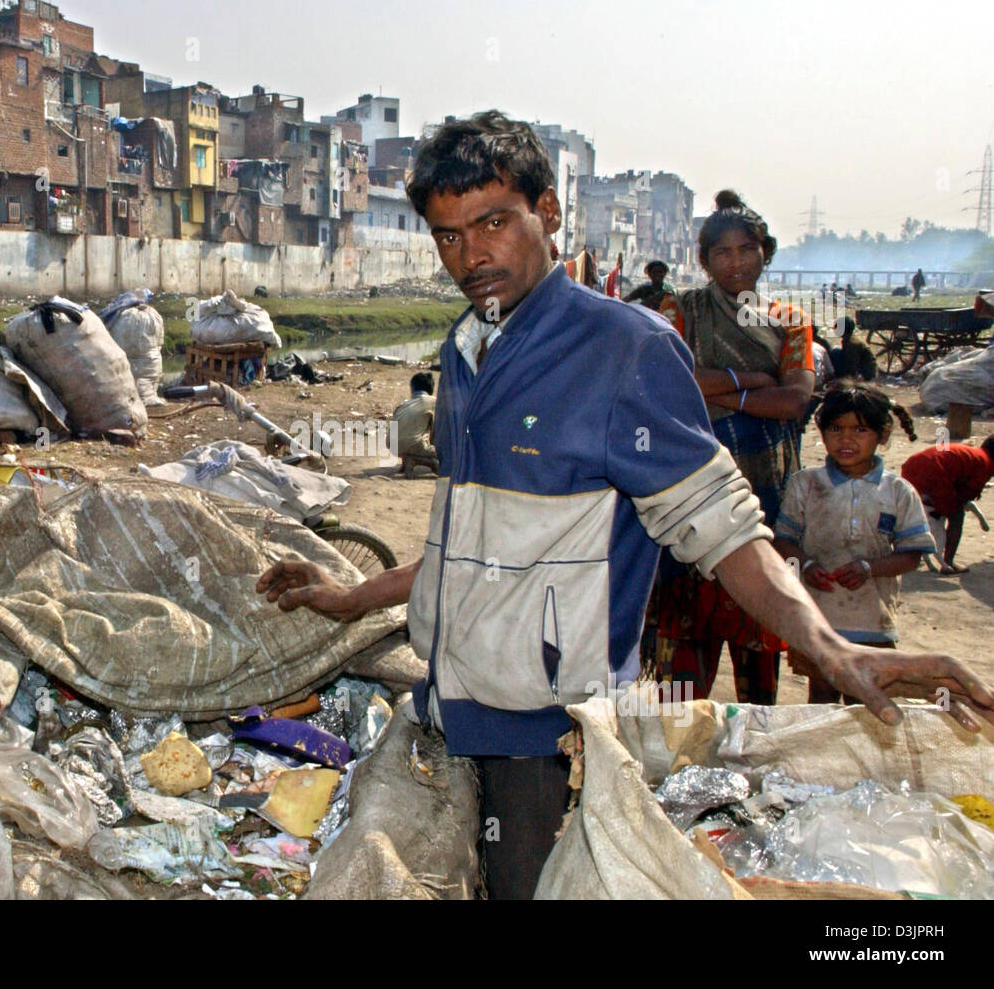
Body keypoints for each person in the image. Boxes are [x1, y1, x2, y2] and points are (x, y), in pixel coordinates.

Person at [253, 112, 994, 900]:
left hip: (545, 731)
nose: (469, 256)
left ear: (549, 213)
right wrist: (347, 597)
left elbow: (727, 528)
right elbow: (467, 541)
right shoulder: (465, 349)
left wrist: (834, 650)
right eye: (447, 236)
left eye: (493, 223)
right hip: (449, 703)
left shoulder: (622, 349)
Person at [646, 190, 814, 706]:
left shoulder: (789, 319)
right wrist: (752, 381)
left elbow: (794, 400)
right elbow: (668, 385)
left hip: (764, 489)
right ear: (705, 260)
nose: (735, 262)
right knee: (679, 683)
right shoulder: (681, 310)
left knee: (758, 662)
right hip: (690, 488)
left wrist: (720, 389)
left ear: (766, 254)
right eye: (723, 253)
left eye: (747, 250)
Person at [774, 381, 932, 703]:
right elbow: (784, 541)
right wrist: (806, 564)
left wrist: (868, 567)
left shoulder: (898, 492)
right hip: (819, 620)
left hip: (873, 621)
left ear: (882, 434)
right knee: (821, 700)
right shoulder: (805, 484)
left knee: (866, 704)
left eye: (859, 430)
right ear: (822, 431)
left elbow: (912, 555)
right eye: (835, 428)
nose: (846, 439)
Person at [901, 435, 994, 574]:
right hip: (935, 473)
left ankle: (912, 552)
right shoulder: (986, 463)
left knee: (917, 513)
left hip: (911, 466)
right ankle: (948, 562)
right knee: (956, 516)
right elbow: (968, 493)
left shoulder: (973, 453)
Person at [393, 371, 438, 477]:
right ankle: (419, 460)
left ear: (412, 388)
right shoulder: (433, 402)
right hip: (414, 443)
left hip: (393, 446)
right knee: (448, 454)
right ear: (431, 389)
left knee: (412, 431)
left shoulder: (403, 404)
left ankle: (406, 459)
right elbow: (437, 428)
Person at [829, 316, 877, 381]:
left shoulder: (851, 343)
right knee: (836, 351)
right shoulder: (850, 339)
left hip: (866, 371)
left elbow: (852, 363)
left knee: (834, 353)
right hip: (866, 368)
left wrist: (850, 376)